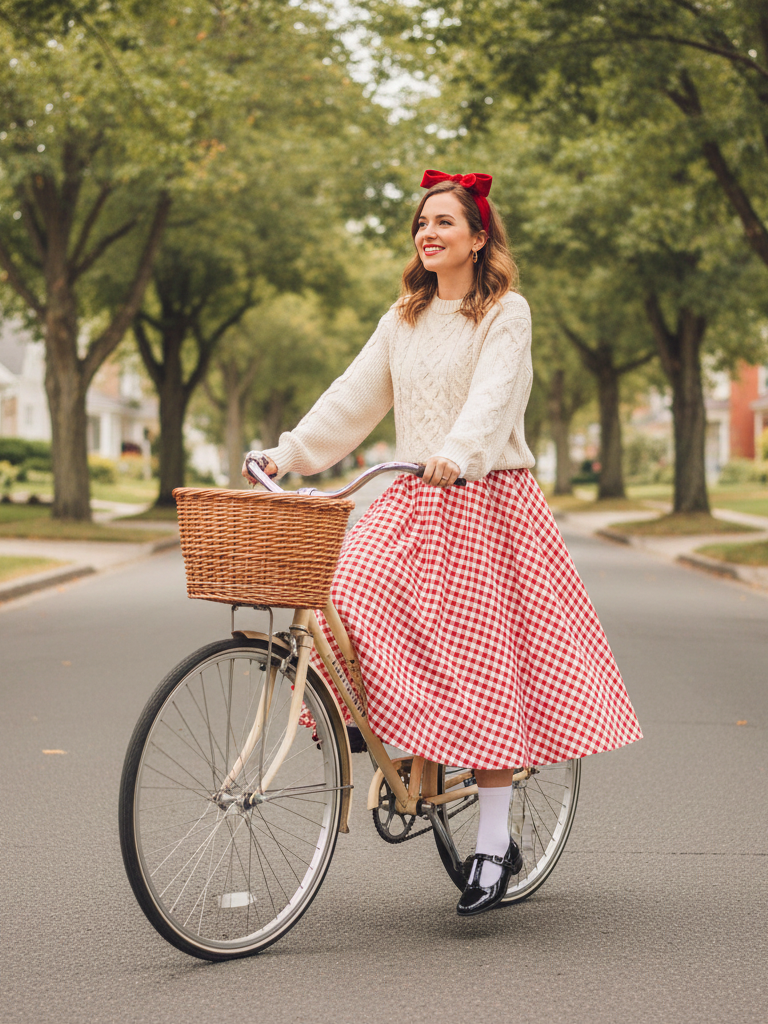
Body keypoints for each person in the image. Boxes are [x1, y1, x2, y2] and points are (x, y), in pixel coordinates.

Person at [245, 169, 642, 916]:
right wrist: (287, 453)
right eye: (422, 223)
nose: (428, 233)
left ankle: (492, 843)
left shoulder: (505, 312)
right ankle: (370, 718)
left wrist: (458, 452)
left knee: (479, 665)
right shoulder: (404, 315)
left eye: (445, 222)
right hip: (412, 497)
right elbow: (353, 396)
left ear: (478, 237)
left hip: (484, 498)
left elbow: (494, 397)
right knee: (346, 592)